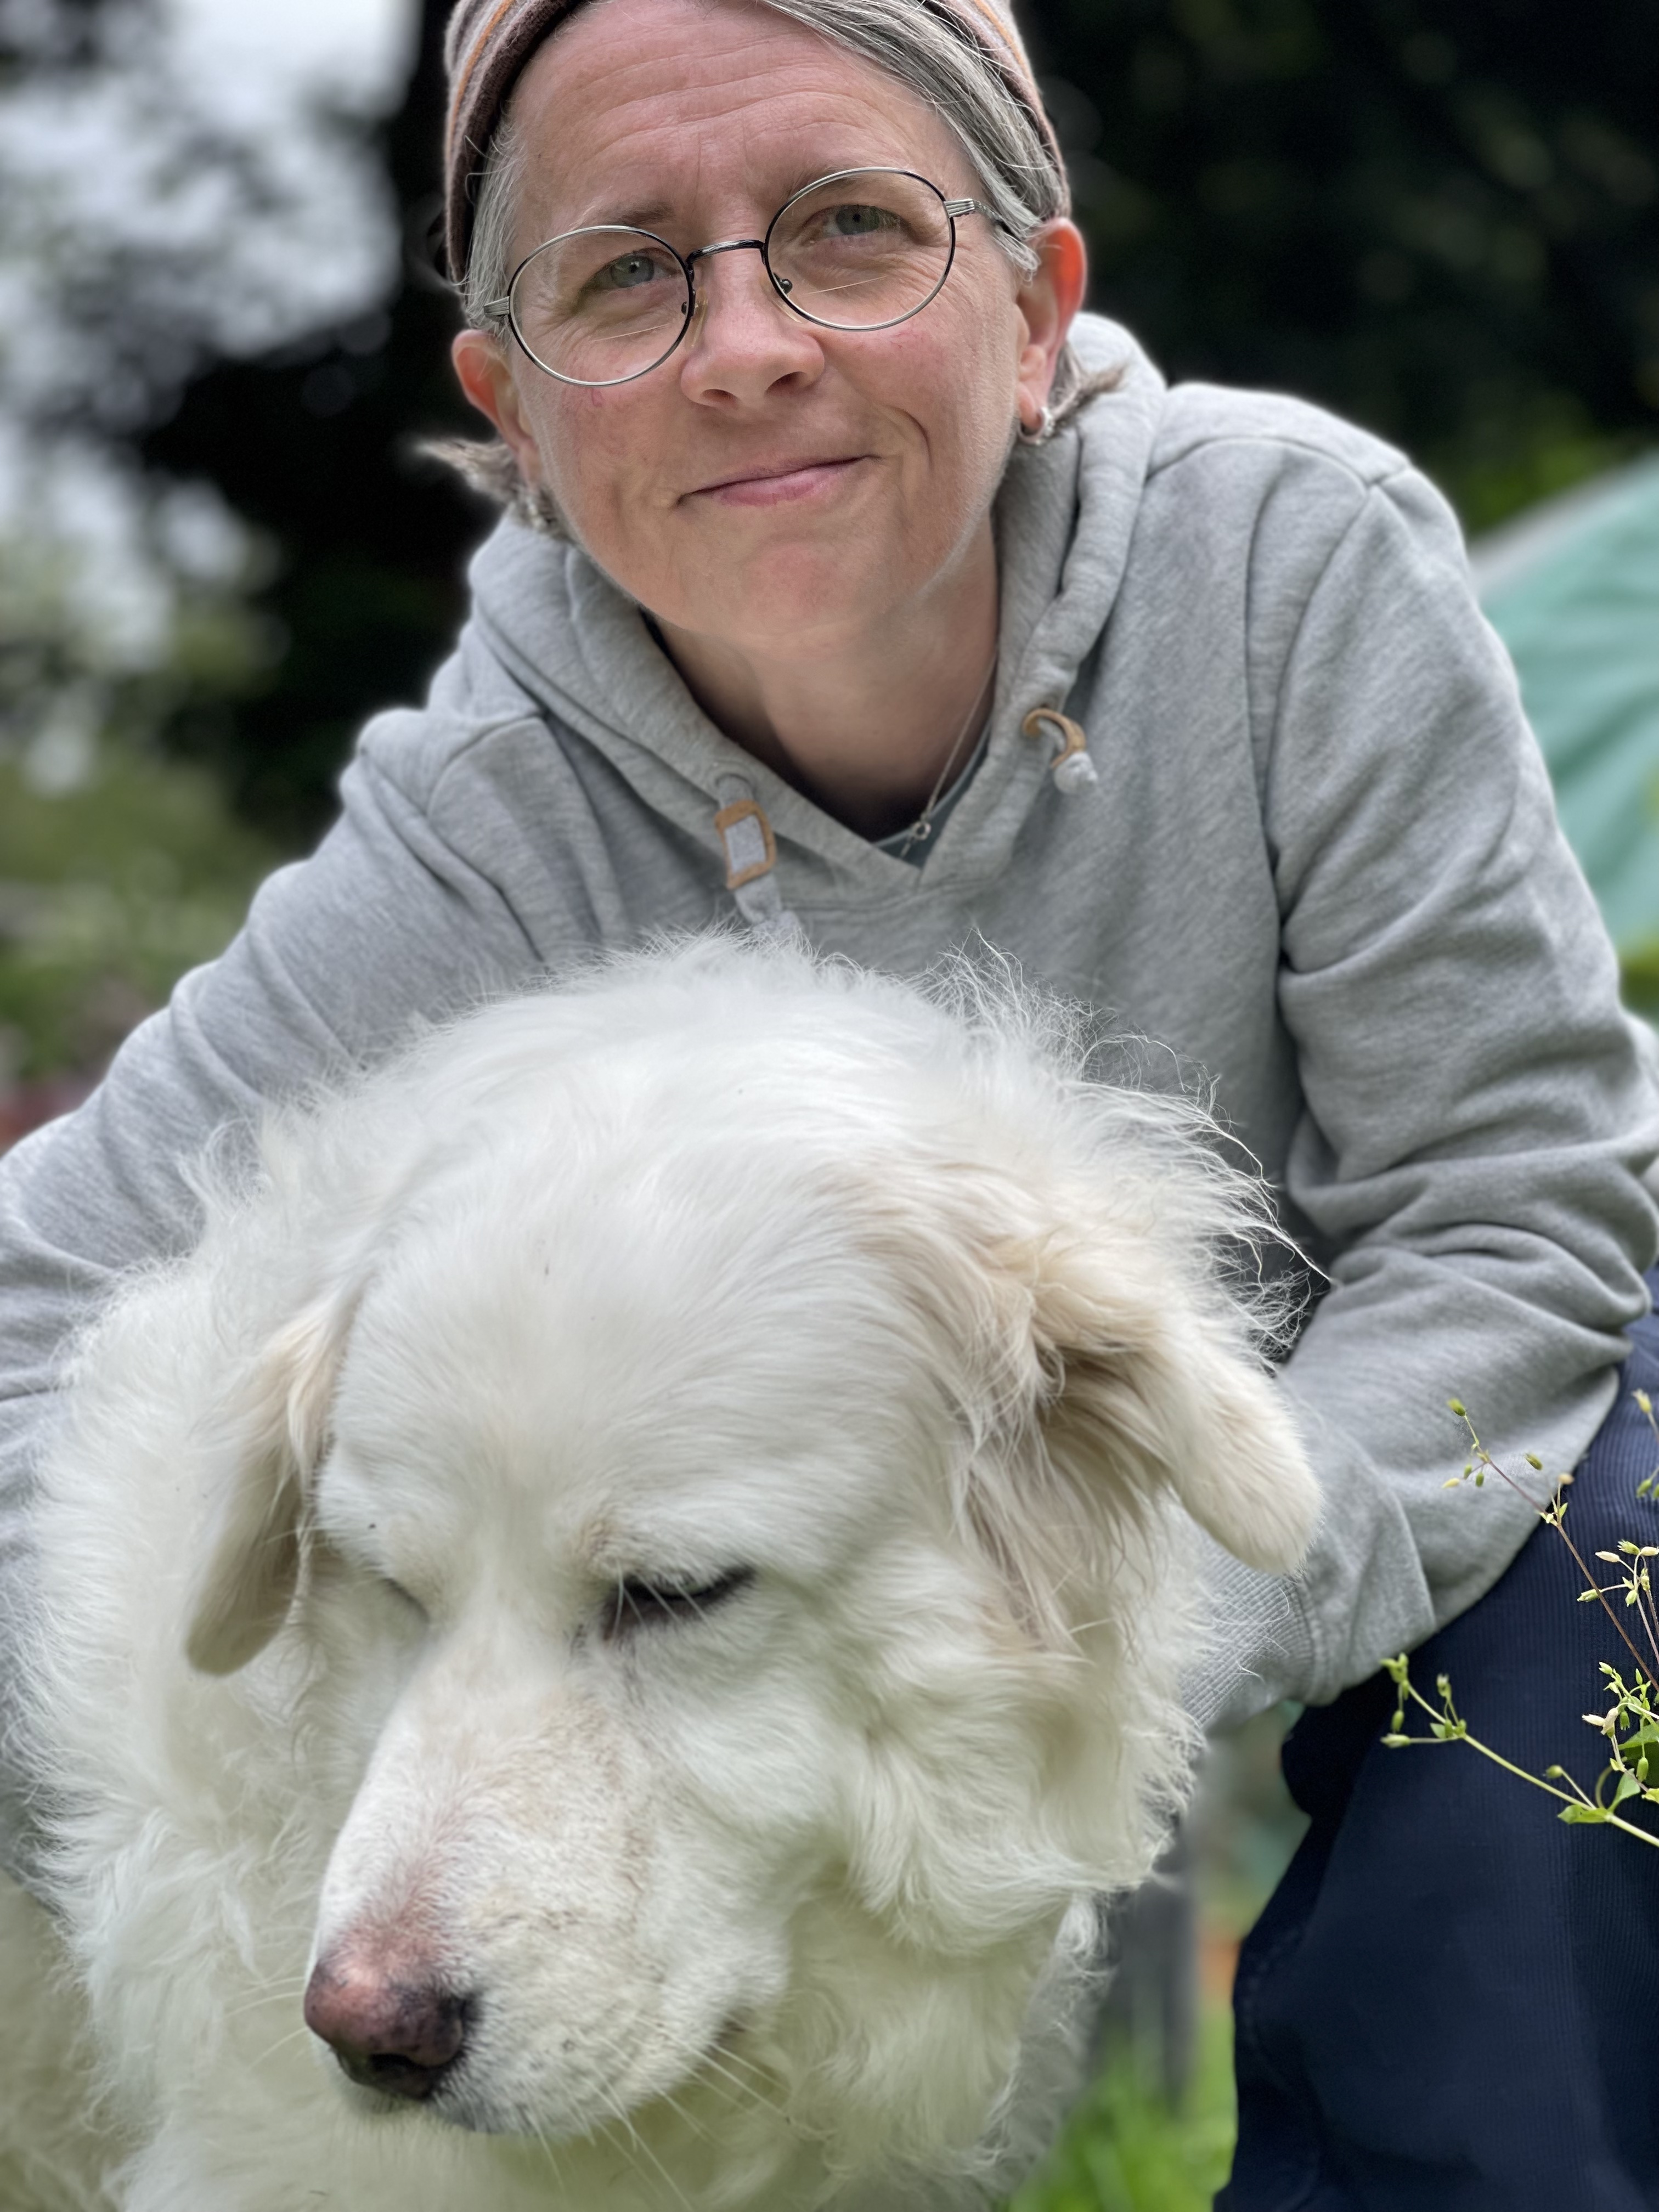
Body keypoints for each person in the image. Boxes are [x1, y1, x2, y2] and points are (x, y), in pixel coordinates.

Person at [2, 0, 1656, 2199]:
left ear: (1037, 303)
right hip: (770, 1649)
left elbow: (1518, 1212)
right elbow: (34, 1320)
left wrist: (1126, 1630)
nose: (748, 347)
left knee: (1620, 1510)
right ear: (516, 412)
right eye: (626, 276)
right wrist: (206, 1776)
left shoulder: (1294, 569)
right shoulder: (480, 826)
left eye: (853, 230)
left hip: (1255, 1478)